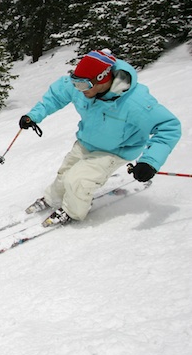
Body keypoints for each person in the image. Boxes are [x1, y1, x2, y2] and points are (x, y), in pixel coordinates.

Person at [20, 49, 181, 225]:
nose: (78, 89)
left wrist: (150, 161)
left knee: (78, 181)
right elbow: (56, 96)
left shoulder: (134, 101)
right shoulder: (82, 86)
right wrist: (34, 116)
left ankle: (72, 212)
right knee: (64, 174)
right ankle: (53, 199)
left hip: (115, 150)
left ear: (102, 79)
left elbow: (168, 127)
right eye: (76, 83)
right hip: (86, 142)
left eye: (83, 85)